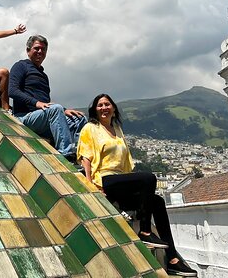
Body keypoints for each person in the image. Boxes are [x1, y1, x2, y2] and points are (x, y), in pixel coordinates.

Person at [77, 93, 198, 277]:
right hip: (103, 179)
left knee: (157, 201)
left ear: (114, 108)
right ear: (95, 109)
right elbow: (85, 157)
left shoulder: (117, 129)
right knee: (149, 178)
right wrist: (89, 184)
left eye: (107, 104)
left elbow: (125, 162)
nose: (104, 108)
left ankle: (173, 259)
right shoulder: (90, 128)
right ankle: (145, 230)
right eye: (100, 105)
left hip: (120, 180)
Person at [8, 35, 86, 160]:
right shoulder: (21, 66)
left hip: (43, 116)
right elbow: (12, 91)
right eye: (37, 48)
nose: (40, 52)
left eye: (43, 49)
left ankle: (79, 155)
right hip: (24, 117)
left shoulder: (43, 76)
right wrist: (36, 103)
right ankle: (66, 155)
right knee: (55, 109)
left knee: (79, 119)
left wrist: (64, 110)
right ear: (28, 51)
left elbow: (46, 102)